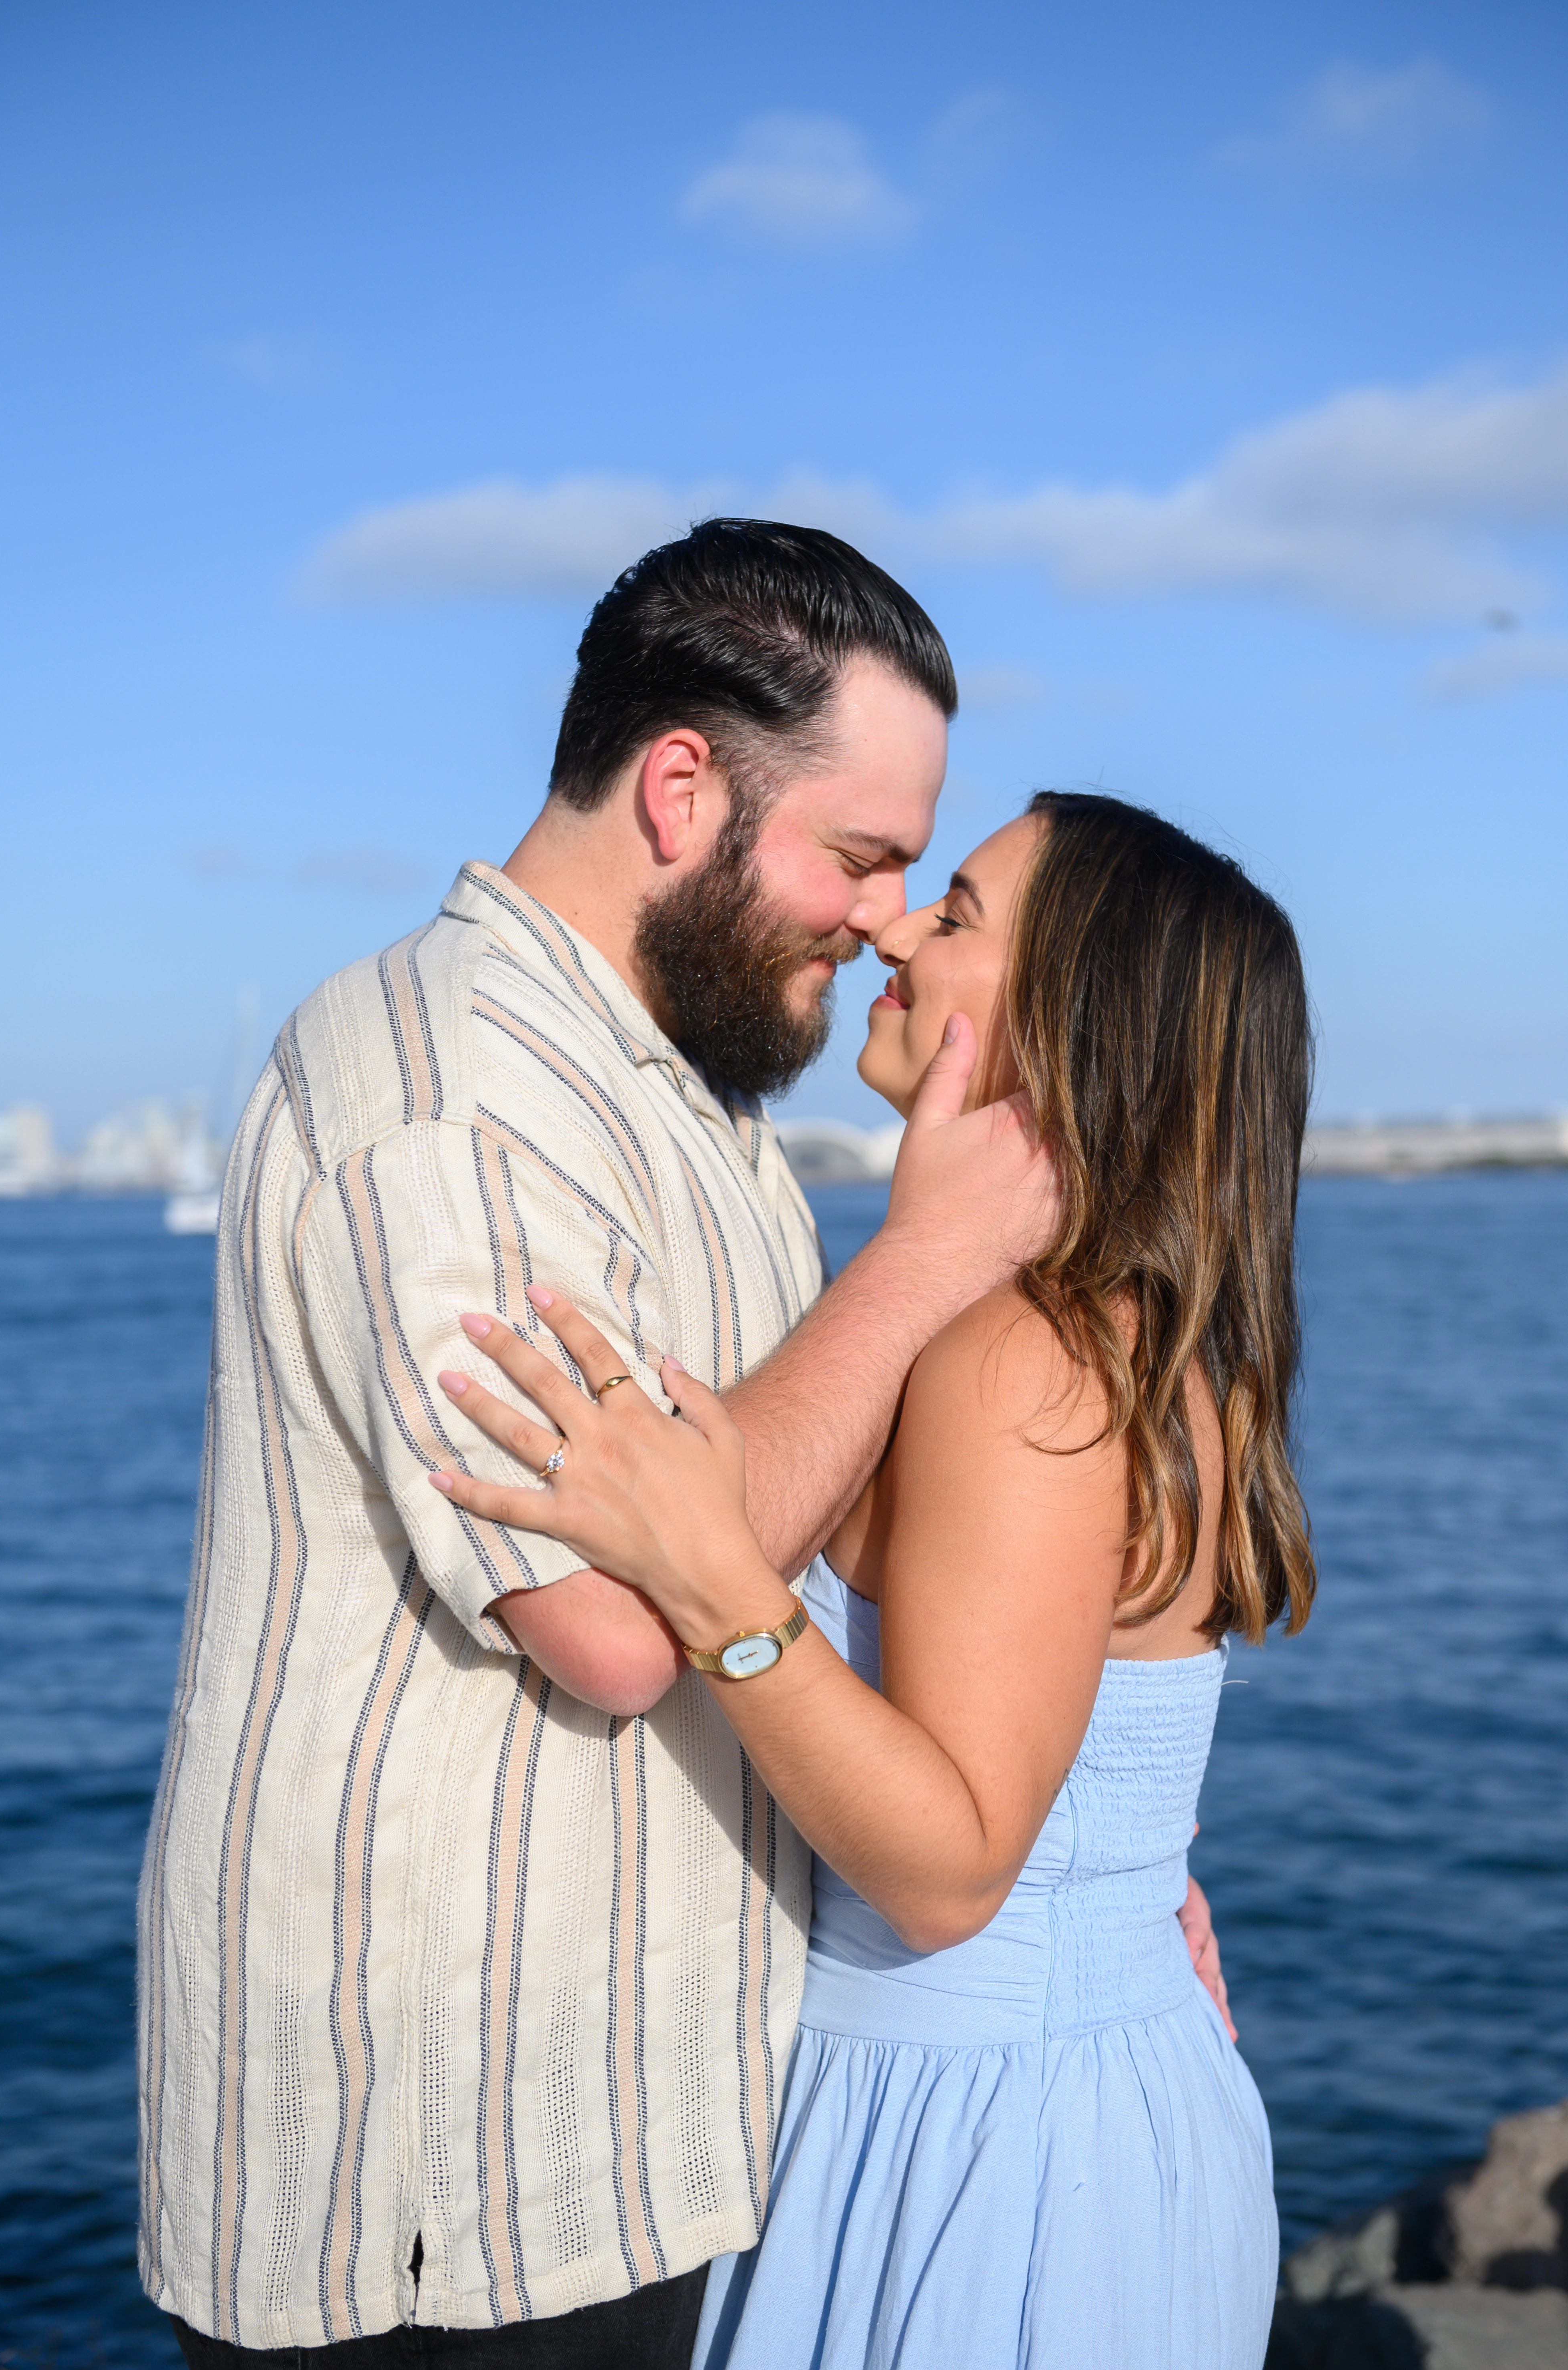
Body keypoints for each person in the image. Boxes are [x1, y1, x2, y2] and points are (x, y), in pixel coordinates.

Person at [141, 519, 1073, 2367]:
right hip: (433, 2197)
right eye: (860, 855)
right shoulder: (450, 1103)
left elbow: (792, 1521)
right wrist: (922, 1262)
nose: (886, 917)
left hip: (636, 2139)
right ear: (679, 789)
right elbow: (624, 1622)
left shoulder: (686, 1095)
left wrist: (1091, 1870)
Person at [426, 790, 1315, 2369]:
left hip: (986, 2157)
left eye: (956, 914)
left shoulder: (1023, 1359)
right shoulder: (1096, 1336)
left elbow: (953, 1869)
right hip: (1033, 2108)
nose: (894, 929)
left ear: (1072, 1017)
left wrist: (713, 1580)